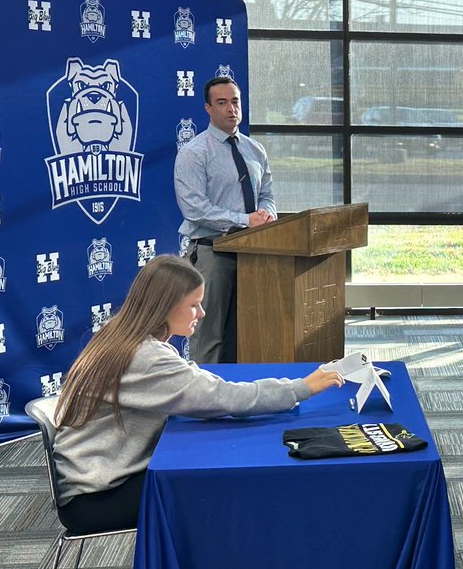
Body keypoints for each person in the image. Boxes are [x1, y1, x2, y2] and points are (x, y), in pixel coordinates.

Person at [52, 255, 344, 535]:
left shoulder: (126, 335)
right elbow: (224, 398)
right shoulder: (144, 356)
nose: (201, 313)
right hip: (95, 497)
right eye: (194, 305)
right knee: (219, 486)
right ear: (163, 307)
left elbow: (198, 382)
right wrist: (303, 387)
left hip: (94, 480)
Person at [174, 77, 277, 364]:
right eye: (222, 102)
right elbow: (194, 209)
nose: (231, 109)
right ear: (208, 108)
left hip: (255, 254)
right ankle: (202, 405)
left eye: (235, 101)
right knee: (210, 337)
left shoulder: (255, 150)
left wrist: (267, 215)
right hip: (213, 252)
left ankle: (238, 401)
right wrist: (245, 220)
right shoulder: (194, 153)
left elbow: (266, 194)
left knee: (250, 334)